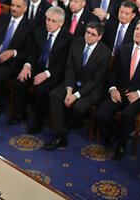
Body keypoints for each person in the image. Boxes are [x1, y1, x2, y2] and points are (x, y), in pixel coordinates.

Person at [96, 19, 140, 160]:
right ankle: (112, 134)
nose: (137, 32)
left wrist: (139, 94)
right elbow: (113, 73)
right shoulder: (123, 49)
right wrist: (113, 89)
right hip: (120, 92)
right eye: (136, 28)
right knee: (101, 113)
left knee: (127, 114)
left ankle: (121, 145)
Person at [44, 22, 111, 150]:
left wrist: (75, 95)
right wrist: (69, 90)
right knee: (54, 95)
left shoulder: (105, 52)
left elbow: (96, 80)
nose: (88, 36)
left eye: (93, 34)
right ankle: (60, 135)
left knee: (78, 107)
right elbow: (69, 68)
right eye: (87, 32)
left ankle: (69, 124)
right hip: (73, 83)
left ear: (99, 37)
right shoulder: (76, 43)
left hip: (91, 88)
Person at [12, 6, 73, 132]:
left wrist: (46, 74)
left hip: (53, 73)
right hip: (37, 67)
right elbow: (33, 53)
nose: (49, 23)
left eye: (53, 21)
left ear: (61, 23)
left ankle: (38, 122)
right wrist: (27, 66)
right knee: (20, 81)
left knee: (40, 89)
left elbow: (62, 65)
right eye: (48, 19)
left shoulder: (68, 38)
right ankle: (20, 113)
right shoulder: (39, 31)